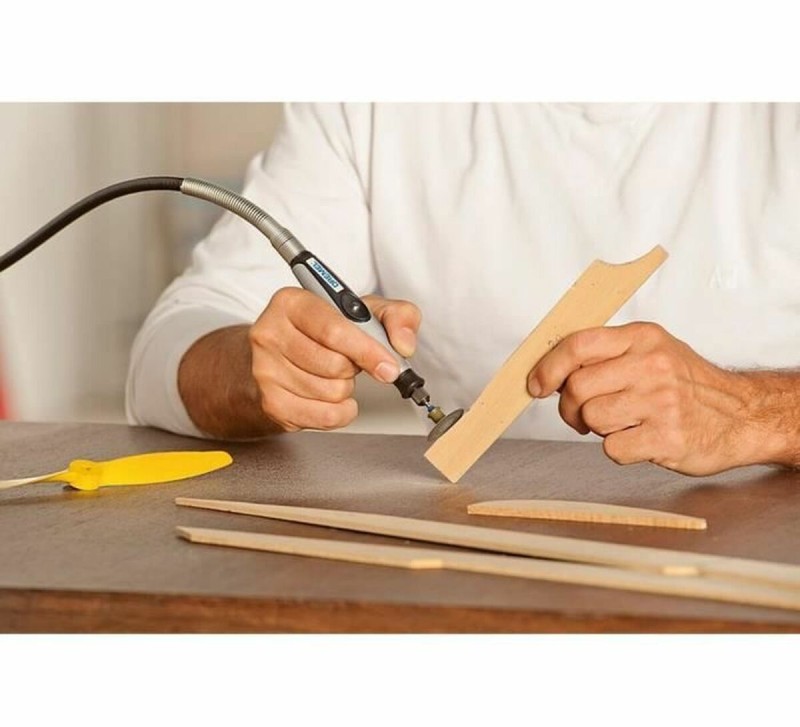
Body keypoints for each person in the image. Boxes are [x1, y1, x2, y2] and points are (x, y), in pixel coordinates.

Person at [126, 103, 800, 476]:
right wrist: (257, 371)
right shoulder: (373, 103)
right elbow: (163, 355)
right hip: (493, 560)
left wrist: (752, 414)